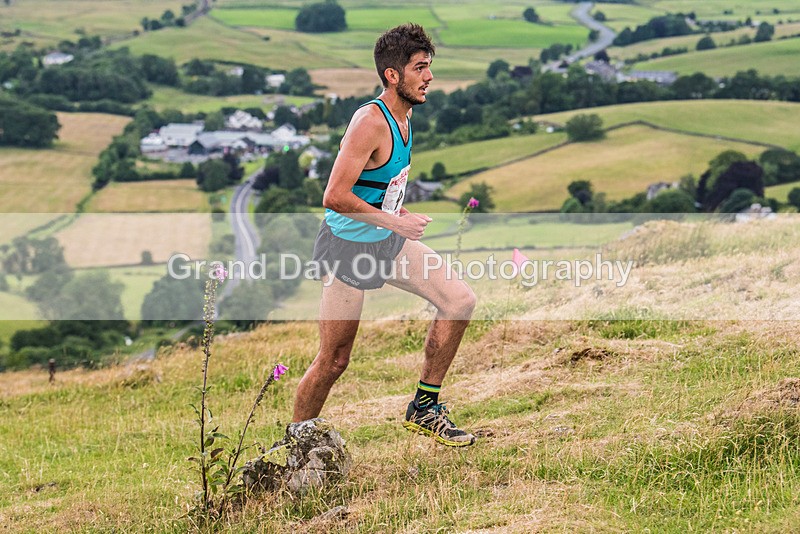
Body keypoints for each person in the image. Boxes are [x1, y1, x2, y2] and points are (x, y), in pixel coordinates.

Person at [292, 23, 477, 447]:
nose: (429, 77)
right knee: (335, 360)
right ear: (393, 75)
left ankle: (425, 408)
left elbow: (377, 184)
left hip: (385, 238)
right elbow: (335, 195)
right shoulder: (369, 122)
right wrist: (395, 221)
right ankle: (294, 449)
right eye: (420, 68)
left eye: (429, 67)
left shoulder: (406, 116)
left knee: (459, 301)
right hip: (346, 249)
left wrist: (394, 212)